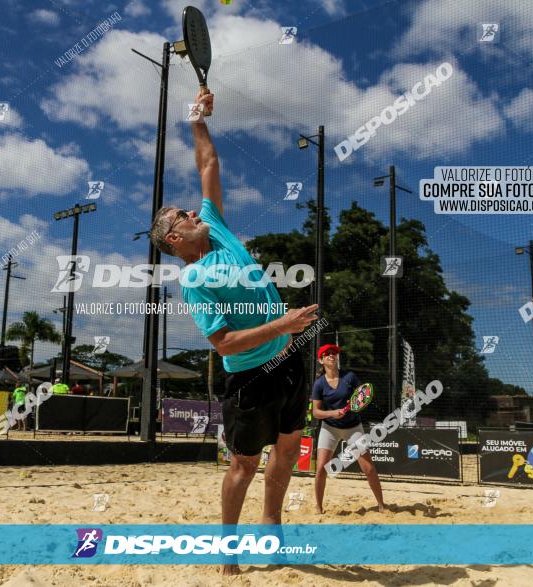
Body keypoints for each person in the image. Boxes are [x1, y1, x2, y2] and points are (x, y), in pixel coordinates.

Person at [149, 89, 319, 575]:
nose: (193, 211)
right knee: (243, 465)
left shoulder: (217, 228)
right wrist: (282, 323)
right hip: (249, 378)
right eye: (183, 215)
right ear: (176, 240)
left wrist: (196, 119)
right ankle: (228, 546)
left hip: (287, 361)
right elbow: (223, 344)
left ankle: (271, 524)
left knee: (288, 448)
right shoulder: (194, 279)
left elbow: (209, 163)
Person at [311, 344, 386, 514]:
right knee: (321, 468)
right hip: (329, 428)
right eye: (327, 354)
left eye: (334, 354)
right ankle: (318, 507)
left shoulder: (349, 377)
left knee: (368, 468)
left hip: (353, 427)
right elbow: (316, 412)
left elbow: (362, 396)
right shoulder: (319, 384)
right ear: (321, 360)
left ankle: (381, 505)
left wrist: (353, 407)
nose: (332, 356)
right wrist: (331, 413)